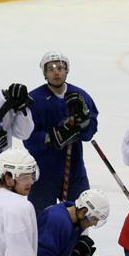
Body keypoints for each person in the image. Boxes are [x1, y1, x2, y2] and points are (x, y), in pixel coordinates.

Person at [24, 51, 100, 213]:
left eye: (60, 68)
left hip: (75, 170)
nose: (56, 72)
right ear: (44, 73)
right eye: (51, 69)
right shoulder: (34, 99)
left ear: (67, 71)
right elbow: (27, 138)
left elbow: (89, 134)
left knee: (81, 216)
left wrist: (83, 121)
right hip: (42, 173)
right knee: (41, 221)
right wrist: (51, 138)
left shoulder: (81, 96)